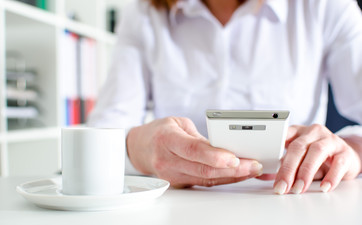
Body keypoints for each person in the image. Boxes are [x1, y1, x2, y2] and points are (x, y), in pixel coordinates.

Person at [88, 0, 362, 194]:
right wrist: (140, 149)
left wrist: (353, 151)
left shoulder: (327, 7)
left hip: (294, 203)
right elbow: (99, 136)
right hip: (179, 208)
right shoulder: (143, 14)